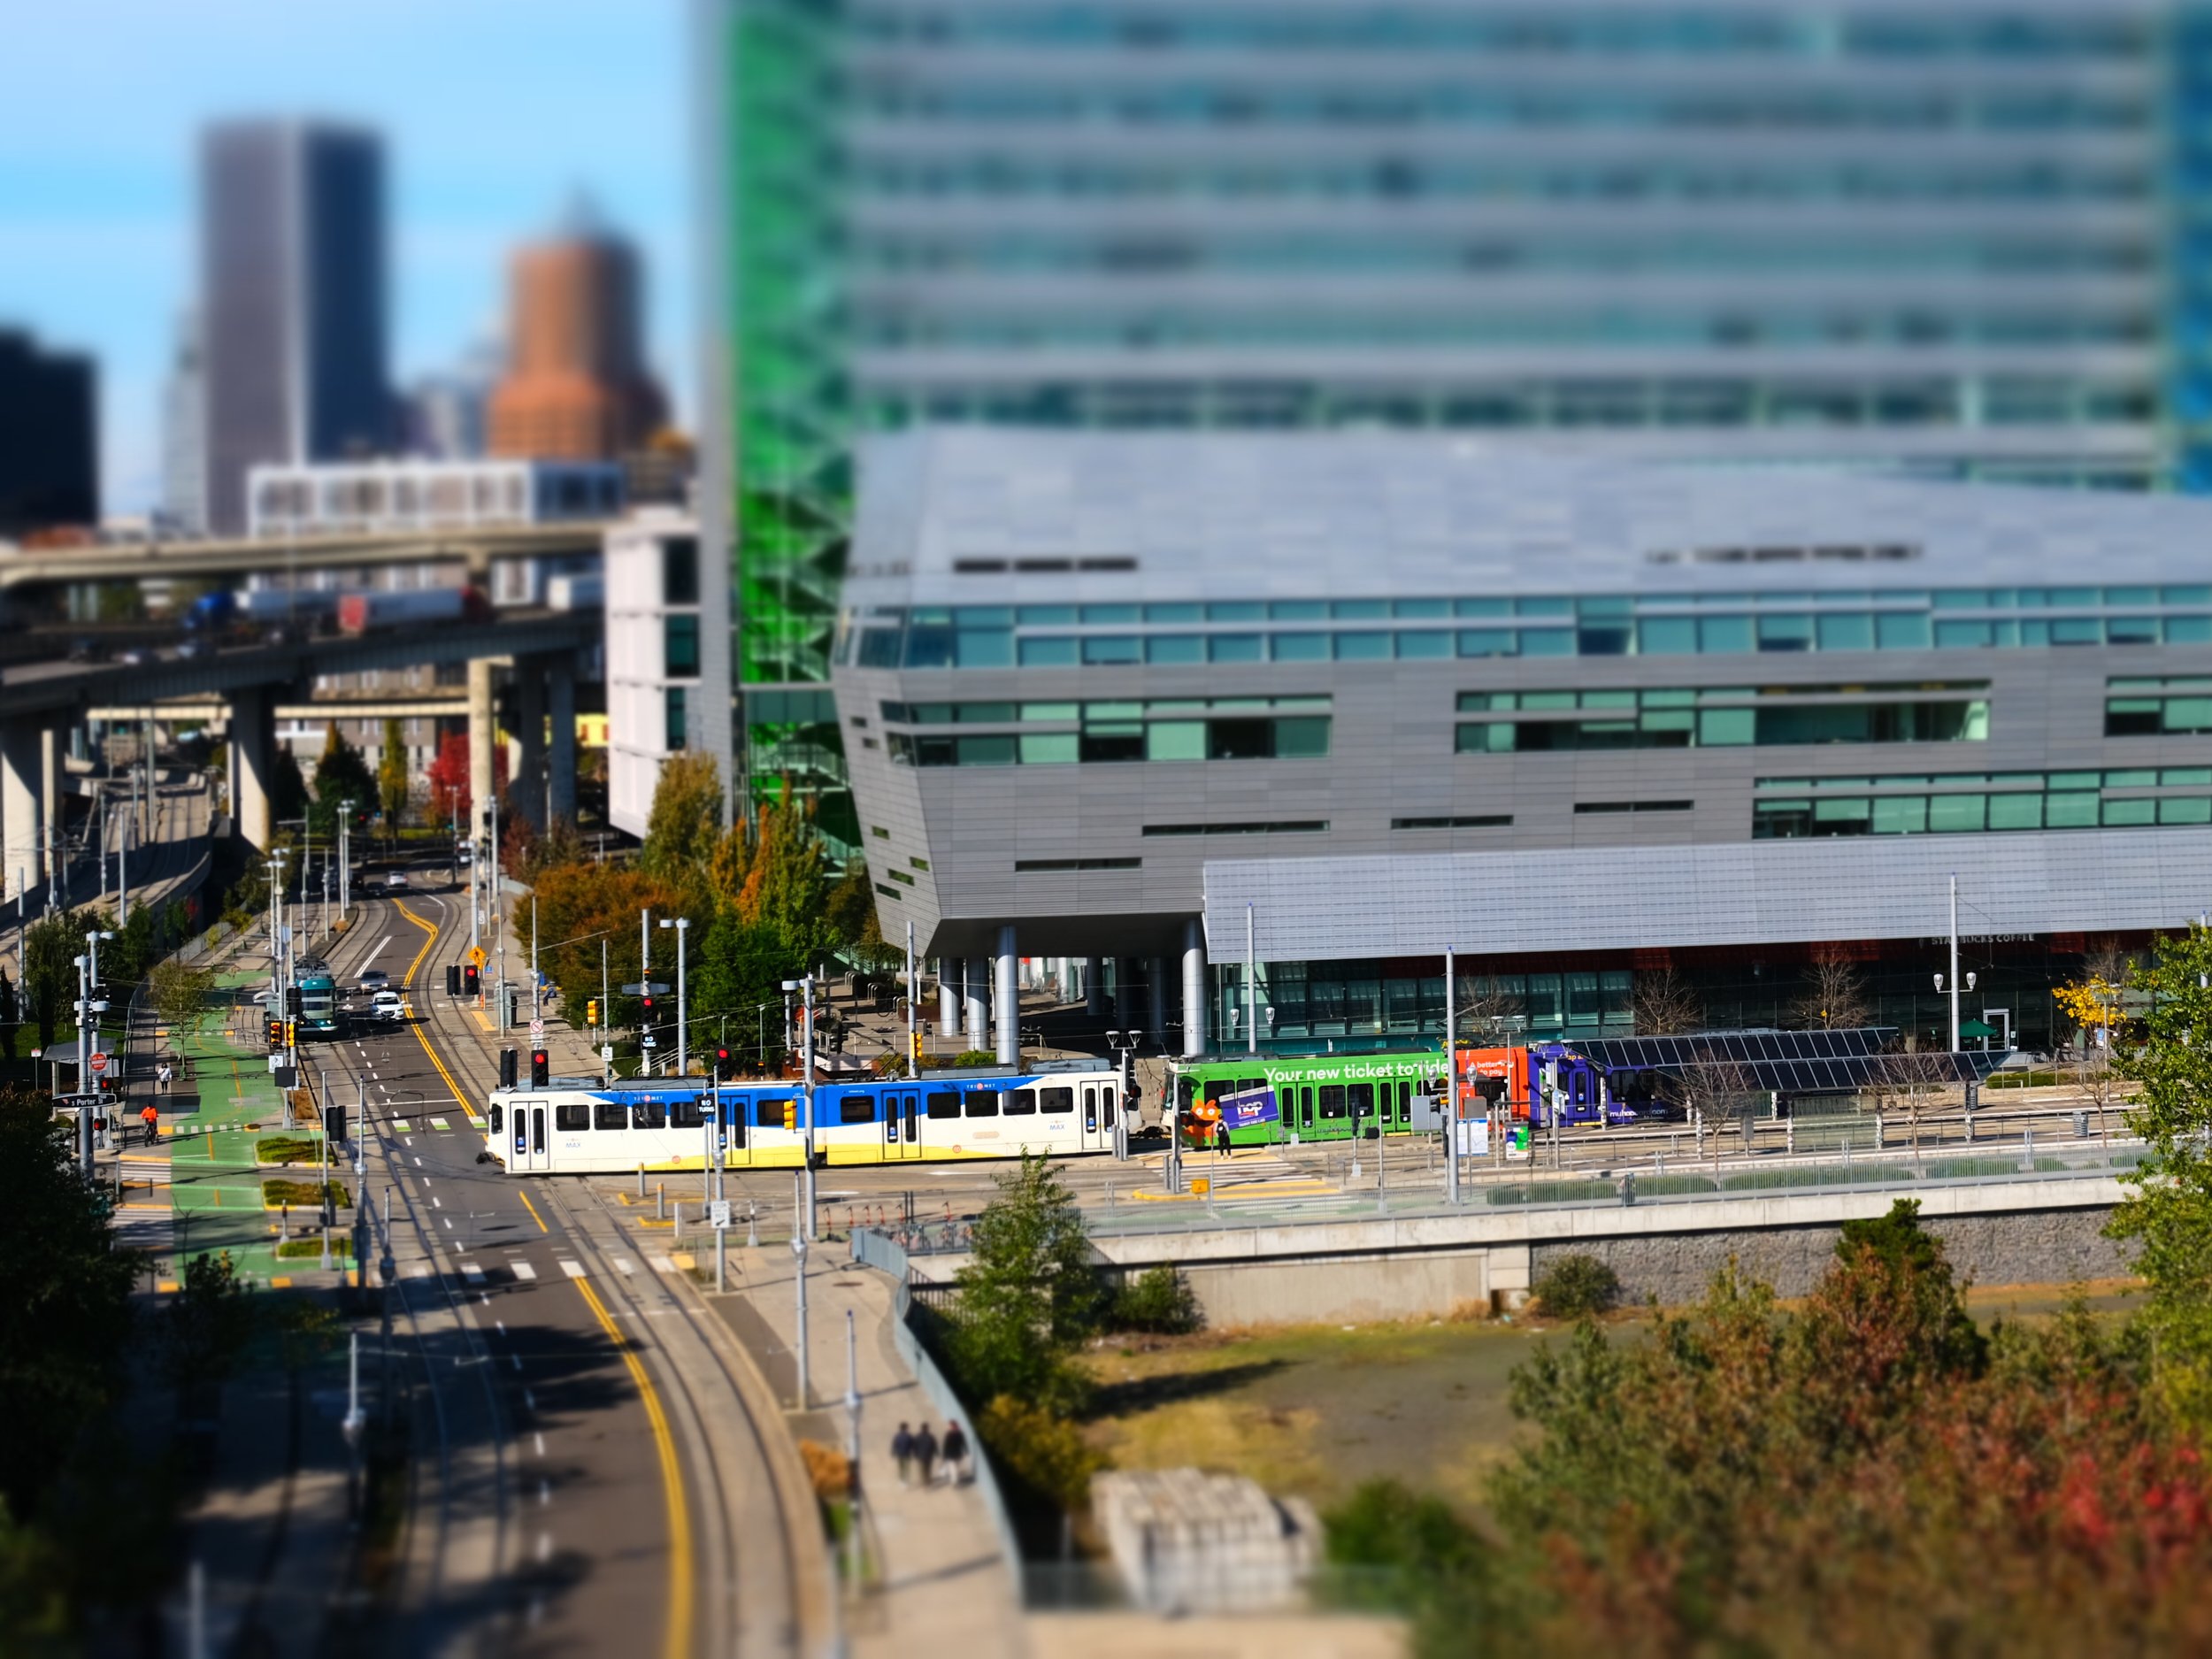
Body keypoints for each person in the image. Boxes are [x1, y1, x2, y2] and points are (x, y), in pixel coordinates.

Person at [941, 1419, 969, 1486]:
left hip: (951, 1454)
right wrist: (966, 1451)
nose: (948, 1426)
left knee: (953, 1468)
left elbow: (946, 1446)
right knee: (956, 1467)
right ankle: (955, 1480)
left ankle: (955, 1481)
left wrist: (944, 1455)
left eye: (949, 1425)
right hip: (958, 1453)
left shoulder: (948, 1434)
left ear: (952, 1426)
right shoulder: (960, 1433)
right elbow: (964, 1443)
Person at [912, 1421, 939, 1488]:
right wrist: (936, 1453)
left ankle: (923, 1481)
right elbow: (934, 1446)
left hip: (920, 1455)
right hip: (929, 1455)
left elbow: (915, 1446)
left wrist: (915, 1454)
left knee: (922, 1468)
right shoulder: (931, 1436)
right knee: (928, 1468)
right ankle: (928, 1480)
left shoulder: (918, 1436)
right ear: (927, 1428)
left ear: (921, 1428)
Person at [891, 1422, 915, 1486]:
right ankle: (906, 1481)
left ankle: (901, 1481)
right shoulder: (909, 1436)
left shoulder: (897, 1436)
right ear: (906, 1428)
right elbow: (913, 1445)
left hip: (900, 1454)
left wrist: (893, 1453)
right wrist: (914, 1453)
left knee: (901, 1468)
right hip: (907, 1454)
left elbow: (894, 1445)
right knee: (907, 1468)